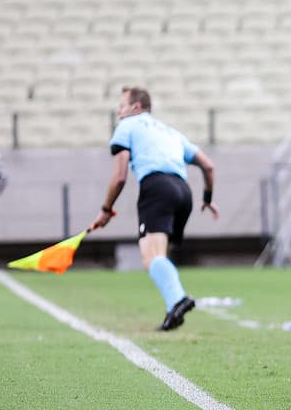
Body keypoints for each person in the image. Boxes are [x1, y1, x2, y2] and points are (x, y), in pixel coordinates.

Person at [89, 87, 219, 331]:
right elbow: (208, 167)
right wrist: (208, 197)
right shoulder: (170, 132)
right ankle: (173, 310)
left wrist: (106, 209)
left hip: (157, 188)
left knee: (151, 258)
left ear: (136, 108)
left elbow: (119, 177)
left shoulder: (127, 126)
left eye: (122, 106)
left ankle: (178, 300)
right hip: (184, 192)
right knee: (161, 255)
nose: (118, 111)